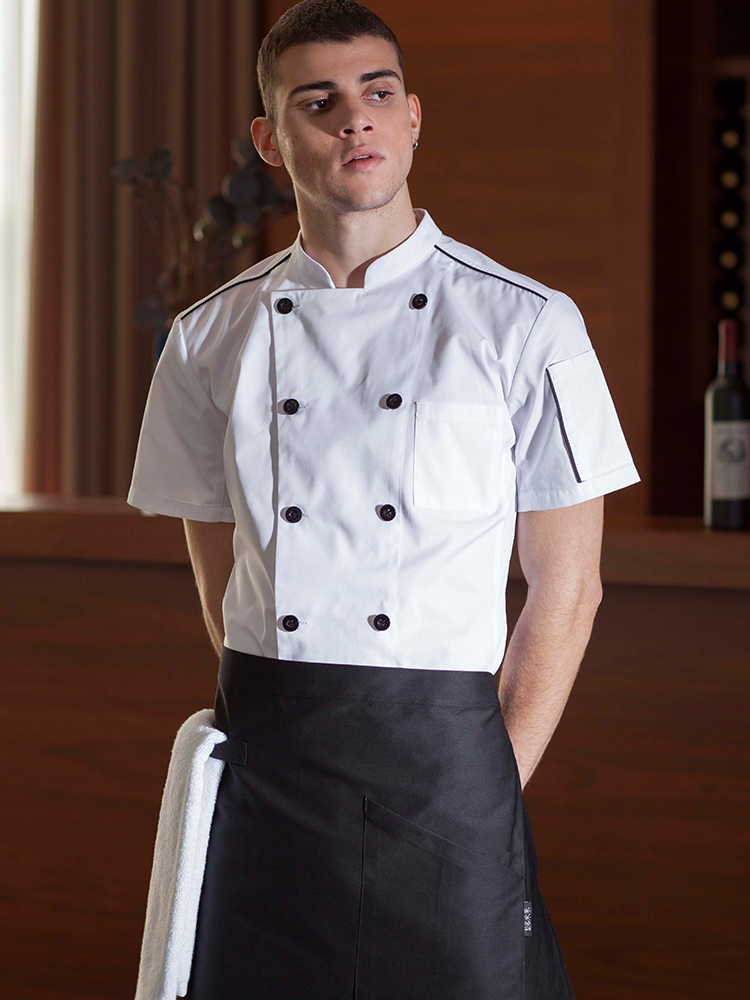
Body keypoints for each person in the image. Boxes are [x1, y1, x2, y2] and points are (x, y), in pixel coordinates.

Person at [127, 1, 641, 997]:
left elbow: (568, 590)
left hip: (448, 763)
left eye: (377, 92)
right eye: (318, 102)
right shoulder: (206, 338)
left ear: (412, 117)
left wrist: (488, 781)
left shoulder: (528, 324)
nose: (354, 118)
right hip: (269, 758)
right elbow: (224, 577)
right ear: (270, 141)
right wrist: (279, 718)